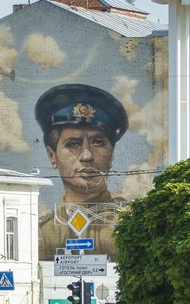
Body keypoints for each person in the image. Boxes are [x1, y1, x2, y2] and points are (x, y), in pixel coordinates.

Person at [35, 83, 129, 260]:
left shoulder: (131, 225)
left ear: (112, 153)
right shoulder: (43, 234)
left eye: (98, 142)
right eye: (73, 144)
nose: (86, 155)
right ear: (52, 156)